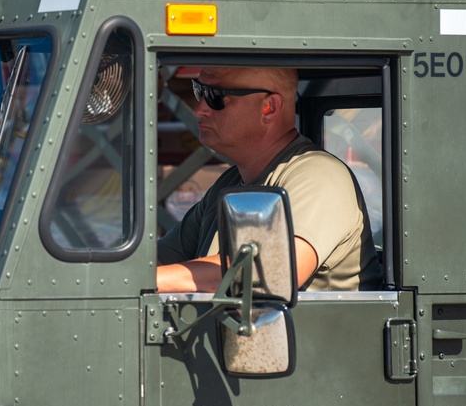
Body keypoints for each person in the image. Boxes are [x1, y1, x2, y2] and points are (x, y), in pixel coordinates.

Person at [156, 66, 381, 293]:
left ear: (269, 108)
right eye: (199, 91)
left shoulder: (319, 175)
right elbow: (160, 260)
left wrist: (155, 280)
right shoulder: (229, 183)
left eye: (216, 97)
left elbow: (274, 271)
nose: (199, 109)